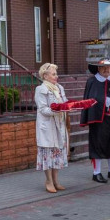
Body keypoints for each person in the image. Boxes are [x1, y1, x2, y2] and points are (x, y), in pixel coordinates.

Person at [34, 63, 69, 193]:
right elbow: (43, 109)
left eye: (56, 74)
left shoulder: (59, 88)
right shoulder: (41, 89)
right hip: (47, 126)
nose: (56, 76)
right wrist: (58, 110)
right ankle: (48, 180)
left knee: (57, 153)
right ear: (45, 75)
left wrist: (69, 106)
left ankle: (56, 180)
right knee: (47, 154)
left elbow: (64, 102)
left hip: (59, 124)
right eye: (53, 74)